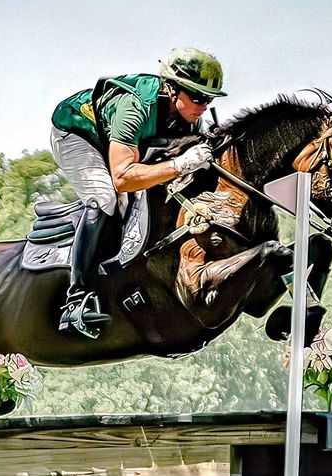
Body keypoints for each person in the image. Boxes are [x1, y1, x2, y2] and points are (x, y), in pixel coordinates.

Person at [48, 48, 227, 338]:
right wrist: (180, 164)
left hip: (124, 141)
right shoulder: (135, 107)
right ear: (172, 90)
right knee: (106, 198)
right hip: (77, 133)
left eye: (209, 99)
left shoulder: (190, 117)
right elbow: (123, 178)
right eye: (197, 97)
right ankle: (76, 300)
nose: (204, 106)